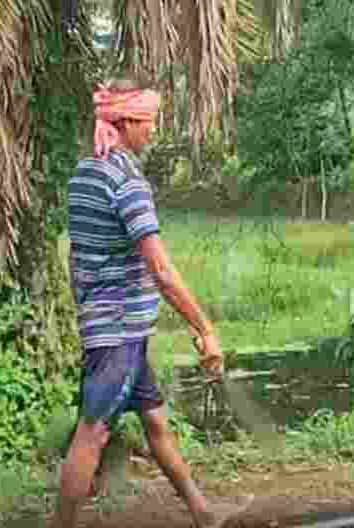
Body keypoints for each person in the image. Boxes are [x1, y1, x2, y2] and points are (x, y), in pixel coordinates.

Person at [50, 77, 254, 528]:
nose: (154, 131)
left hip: (116, 328)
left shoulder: (85, 173)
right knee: (93, 433)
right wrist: (204, 327)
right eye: (149, 122)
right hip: (119, 331)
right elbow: (161, 270)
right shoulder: (127, 183)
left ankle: (203, 513)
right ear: (124, 122)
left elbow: (78, 255)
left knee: (157, 423)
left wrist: (89, 308)